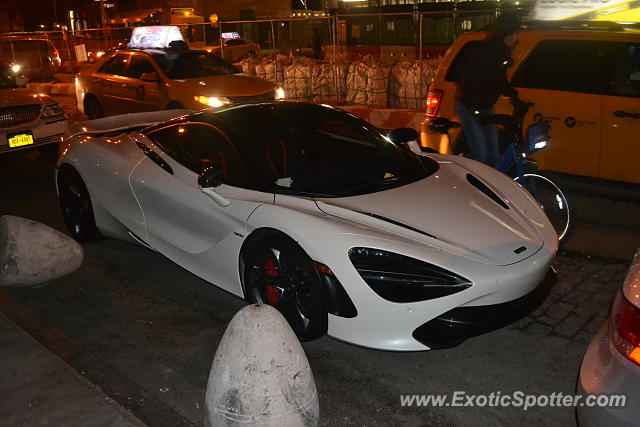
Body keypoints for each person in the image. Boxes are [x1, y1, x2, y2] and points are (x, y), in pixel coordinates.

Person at [454, 14, 523, 167]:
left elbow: (500, 81)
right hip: (469, 106)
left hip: (485, 107)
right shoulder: (486, 52)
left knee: (493, 156)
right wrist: (472, 106)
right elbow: (469, 78)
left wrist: (515, 97)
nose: (516, 38)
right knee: (480, 155)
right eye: (513, 34)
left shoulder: (502, 52)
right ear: (504, 34)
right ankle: (455, 173)